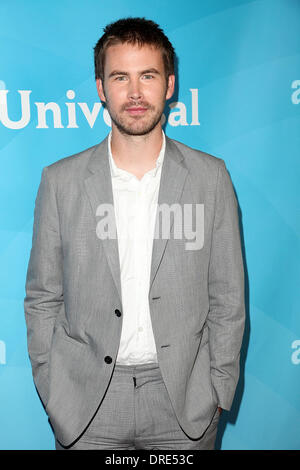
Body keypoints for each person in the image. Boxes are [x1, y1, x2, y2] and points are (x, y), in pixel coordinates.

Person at [24, 17, 245, 450]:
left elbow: (228, 296)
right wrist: (53, 387)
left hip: (183, 401)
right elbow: (43, 296)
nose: (135, 93)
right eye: (120, 77)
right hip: (87, 404)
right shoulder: (60, 181)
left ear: (169, 84)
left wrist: (218, 388)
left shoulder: (210, 178)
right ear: (102, 88)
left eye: (148, 76)